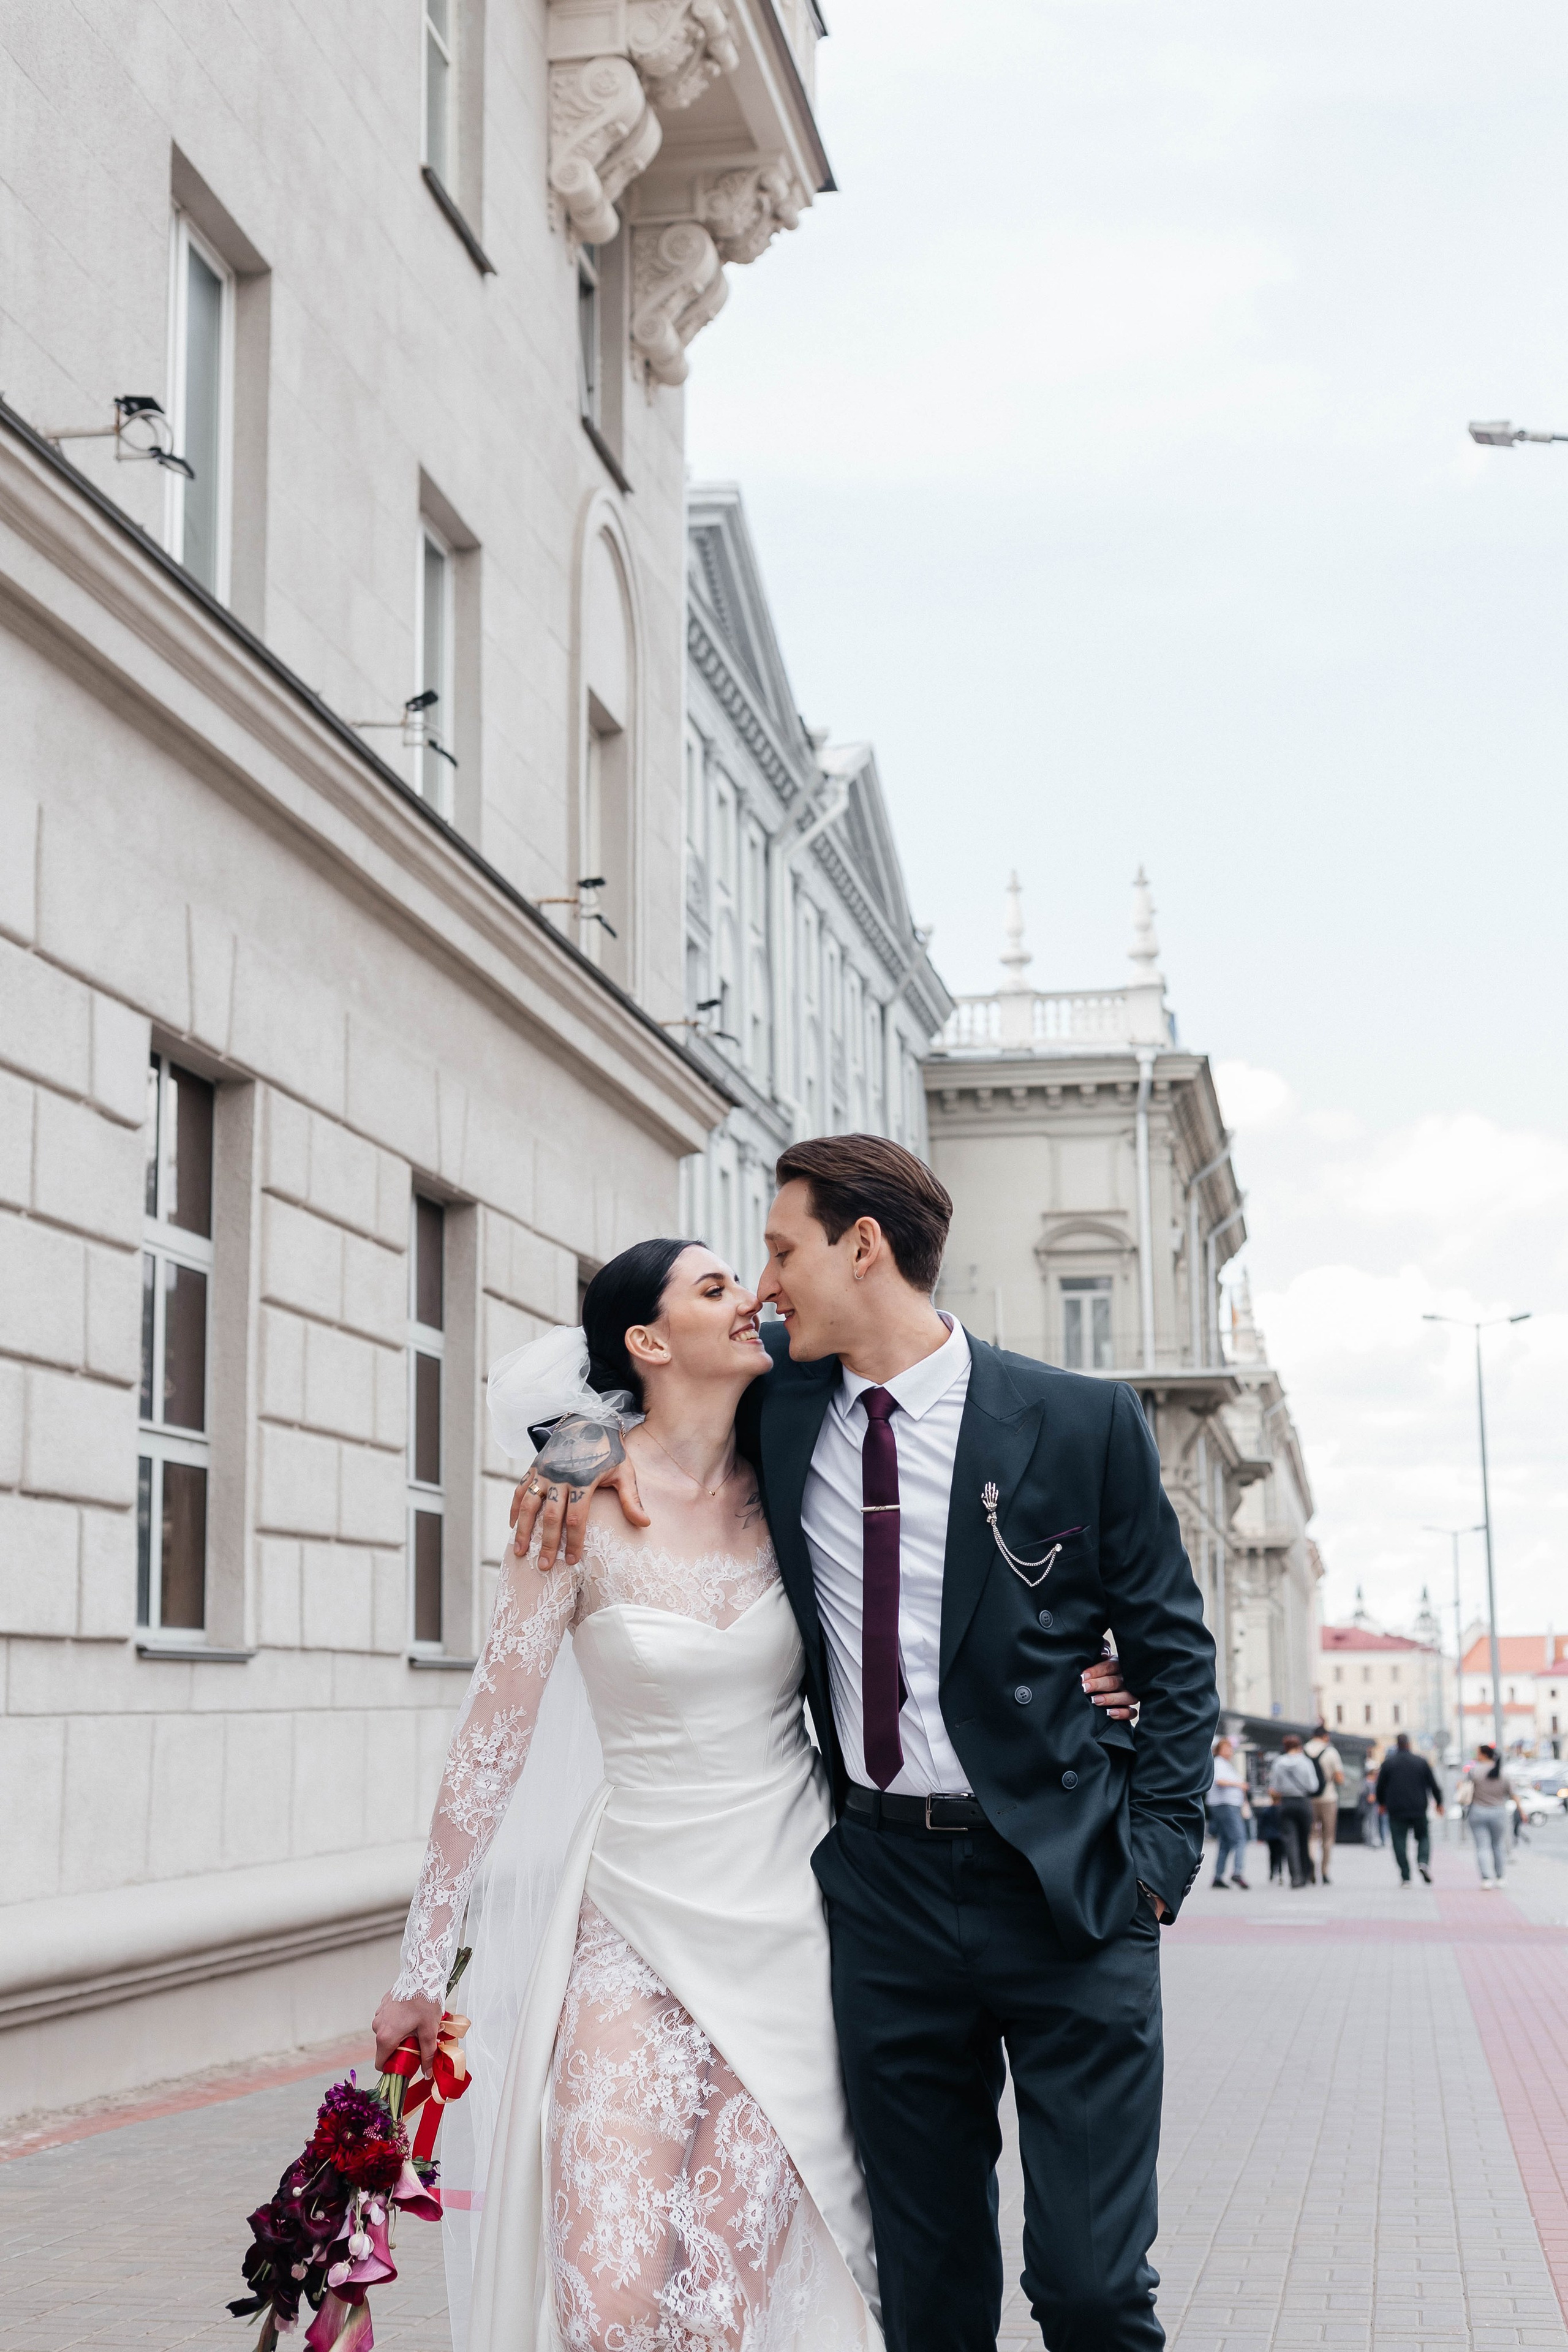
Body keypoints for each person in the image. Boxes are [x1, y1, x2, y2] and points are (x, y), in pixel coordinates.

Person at [512, 1134, 1219, 2352]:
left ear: (863, 1245)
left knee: (1092, 2289)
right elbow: (624, 1391)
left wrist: (1154, 1857)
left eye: (781, 1251)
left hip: (1068, 1887)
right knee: (927, 2290)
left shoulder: (1079, 1423)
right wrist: (568, 1451)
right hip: (881, 1897)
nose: (766, 1285)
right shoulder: (780, 1398)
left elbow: (1175, 1657)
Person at [1374, 1732, 1444, 1884]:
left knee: (1399, 1842)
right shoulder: (1420, 1762)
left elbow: (1380, 1787)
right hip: (1418, 1808)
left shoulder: (1388, 1763)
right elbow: (1433, 1784)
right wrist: (1439, 1802)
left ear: (1397, 1744)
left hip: (1396, 1810)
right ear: (1409, 1744)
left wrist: (1381, 1804)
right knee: (1424, 1837)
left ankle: (1406, 1876)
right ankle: (1423, 1861)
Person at [1457, 1742, 1513, 1888]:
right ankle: (1500, 1878)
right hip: (1498, 1812)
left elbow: (1464, 1790)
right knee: (1498, 1846)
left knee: (1482, 1847)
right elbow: (1512, 1793)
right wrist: (1521, 1811)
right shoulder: (1502, 1772)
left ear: (1483, 1754)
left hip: (1478, 1812)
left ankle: (1486, 1879)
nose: (1476, 1756)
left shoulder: (1474, 1772)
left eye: (1477, 1753)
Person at [1267, 1735, 1317, 1887]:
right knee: (1304, 1839)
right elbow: (1313, 1786)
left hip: (1286, 1803)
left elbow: (1274, 1787)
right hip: (1303, 1802)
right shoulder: (1306, 1762)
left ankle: (1295, 1877)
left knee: (1290, 1841)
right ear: (1299, 1746)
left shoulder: (1279, 1763)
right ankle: (1306, 1874)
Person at [1303, 1722, 1345, 1887]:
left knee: (1311, 1836)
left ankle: (1311, 1868)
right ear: (1326, 1736)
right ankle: (1325, 1872)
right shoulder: (1331, 1752)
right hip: (1328, 1798)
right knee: (1328, 1837)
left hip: (1309, 1799)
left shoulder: (1304, 1751)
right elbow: (1340, 1778)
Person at [1208, 1736, 1251, 1888]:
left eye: (1230, 1748)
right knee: (1240, 1838)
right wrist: (1240, 1785)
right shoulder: (1219, 1763)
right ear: (1219, 1750)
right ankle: (1237, 1872)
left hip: (1225, 1805)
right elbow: (1220, 1781)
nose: (1229, 1751)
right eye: (1226, 1748)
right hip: (1225, 1805)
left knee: (1225, 1842)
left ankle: (1218, 1876)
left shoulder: (1226, 1764)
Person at [1360, 1758, 1386, 1845]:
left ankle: (1370, 1840)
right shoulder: (1369, 1783)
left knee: (1370, 1823)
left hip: (1369, 1806)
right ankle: (1370, 1841)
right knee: (1371, 1823)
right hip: (1370, 1807)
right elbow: (1371, 1798)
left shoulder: (1367, 1782)